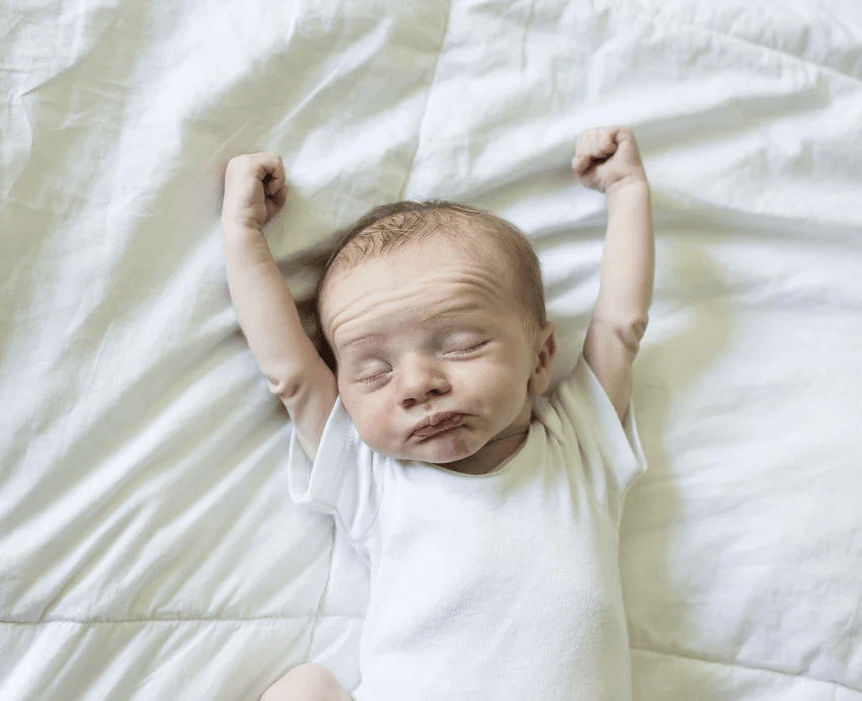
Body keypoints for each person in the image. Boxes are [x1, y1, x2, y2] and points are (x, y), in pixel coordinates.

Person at [222, 127, 654, 701]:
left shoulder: (580, 446)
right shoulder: (372, 475)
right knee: (304, 690)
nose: (420, 385)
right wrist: (242, 235)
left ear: (541, 357)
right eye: (375, 371)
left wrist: (627, 190)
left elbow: (621, 326)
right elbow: (293, 375)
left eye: (460, 344)